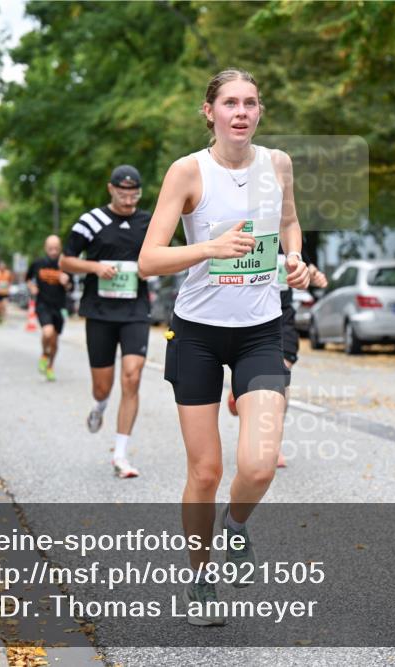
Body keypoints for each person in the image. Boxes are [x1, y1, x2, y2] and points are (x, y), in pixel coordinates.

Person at [138, 68, 310, 625]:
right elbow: (149, 260)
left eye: (251, 103)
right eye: (230, 102)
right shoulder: (188, 172)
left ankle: (235, 529)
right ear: (209, 111)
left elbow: (289, 221)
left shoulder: (277, 164)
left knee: (259, 465)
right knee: (206, 470)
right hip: (197, 333)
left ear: (260, 112)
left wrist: (294, 259)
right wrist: (209, 247)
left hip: (261, 329)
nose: (241, 112)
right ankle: (199, 577)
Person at [61, 165, 152, 479]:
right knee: (103, 386)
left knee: (132, 375)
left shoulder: (148, 222)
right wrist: (95, 267)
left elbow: (164, 258)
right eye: (123, 193)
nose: (129, 200)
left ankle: (120, 454)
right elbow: (65, 260)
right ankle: (100, 406)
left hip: (135, 310)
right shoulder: (92, 220)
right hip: (100, 312)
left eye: (134, 194)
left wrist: (149, 269)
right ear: (110, 189)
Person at [227, 254, 327, 469]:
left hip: (283, 318)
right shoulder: (252, 230)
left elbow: (304, 264)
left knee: (280, 378)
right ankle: (242, 392)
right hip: (251, 318)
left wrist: (313, 274)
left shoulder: (289, 234)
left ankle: (271, 444)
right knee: (260, 383)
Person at [27, 236, 71, 381]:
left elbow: (71, 288)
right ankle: (44, 354)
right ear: (46, 248)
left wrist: (66, 283)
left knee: (54, 341)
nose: (53, 251)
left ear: (60, 248)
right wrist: (32, 287)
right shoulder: (38, 263)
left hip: (59, 306)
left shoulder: (65, 265)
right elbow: (28, 279)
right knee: (47, 332)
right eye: (50, 248)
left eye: (56, 248)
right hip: (42, 304)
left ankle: (50, 366)